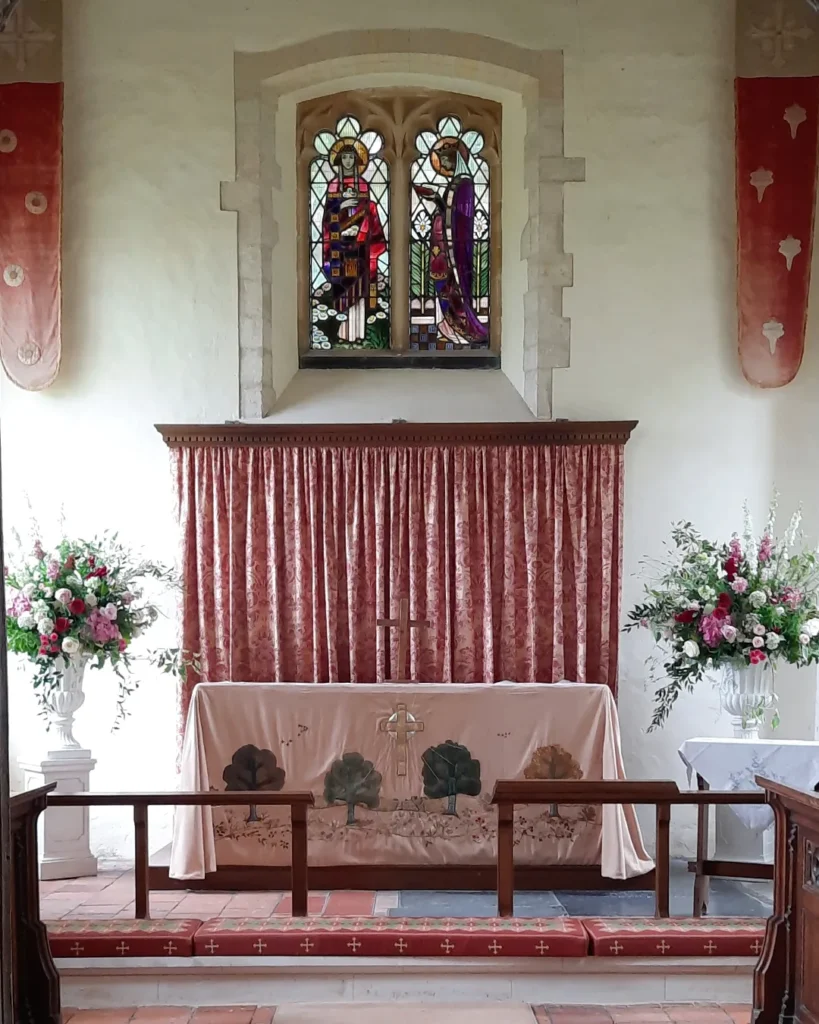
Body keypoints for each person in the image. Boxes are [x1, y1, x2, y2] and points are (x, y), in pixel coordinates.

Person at [413, 138, 488, 345]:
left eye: (446, 161)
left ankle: (459, 331)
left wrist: (436, 198)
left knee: (453, 287)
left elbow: (460, 217)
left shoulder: (464, 184)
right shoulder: (457, 183)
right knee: (444, 286)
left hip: (455, 247)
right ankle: (446, 327)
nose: (444, 166)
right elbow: (449, 214)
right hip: (444, 245)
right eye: (442, 161)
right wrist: (437, 200)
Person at [321, 141, 386, 343]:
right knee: (343, 287)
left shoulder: (363, 185)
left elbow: (368, 211)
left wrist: (361, 230)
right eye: (345, 157)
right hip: (340, 246)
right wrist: (341, 204)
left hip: (359, 244)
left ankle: (358, 333)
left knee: (359, 287)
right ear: (340, 161)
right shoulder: (334, 184)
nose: (348, 161)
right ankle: (342, 333)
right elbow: (327, 216)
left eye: (351, 157)